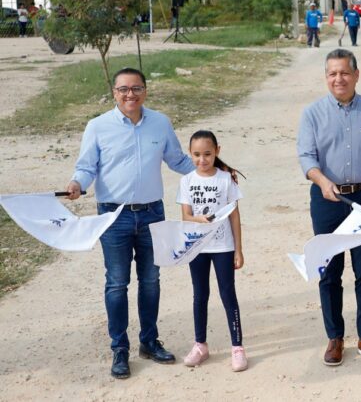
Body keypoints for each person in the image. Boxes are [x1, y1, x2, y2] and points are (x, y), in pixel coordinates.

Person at [66, 67, 196, 379]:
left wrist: (215, 170)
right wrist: (76, 183)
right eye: (123, 89)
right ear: (114, 93)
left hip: (152, 213)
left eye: (136, 88)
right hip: (114, 216)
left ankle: (149, 341)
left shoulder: (160, 123)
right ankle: (119, 348)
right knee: (117, 282)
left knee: (151, 280)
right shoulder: (98, 126)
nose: (130, 95)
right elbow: (87, 167)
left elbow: (178, 160)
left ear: (145, 91)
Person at [297, 48, 361, 367]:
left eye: (344, 72)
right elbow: (306, 157)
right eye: (332, 73)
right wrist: (321, 180)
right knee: (329, 272)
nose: (338, 78)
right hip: (327, 200)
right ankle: (335, 338)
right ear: (326, 77)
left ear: (356, 74)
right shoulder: (312, 114)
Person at [178, 130, 247, 372]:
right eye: (196, 155)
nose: (202, 160)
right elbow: (185, 215)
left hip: (223, 247)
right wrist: (200, 220)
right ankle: (200, 345)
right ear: (190, 154)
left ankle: (237, 348)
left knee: (228, 294)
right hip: (197, 247)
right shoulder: (186, 181)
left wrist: (238, 249)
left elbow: (235, 216)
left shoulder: (225, 179)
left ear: (217, 151)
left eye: (207, 154)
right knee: (200, 295)